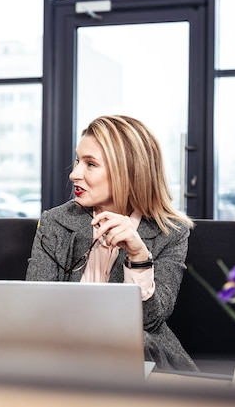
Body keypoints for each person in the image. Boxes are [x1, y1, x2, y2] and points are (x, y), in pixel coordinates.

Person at [26, 115, 198, 371]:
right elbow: (33, 307)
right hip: (65, 358)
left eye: (90, 164)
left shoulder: (171, 232)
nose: (74, 174)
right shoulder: (56, 222)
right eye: (77, 160)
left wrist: (139, 256)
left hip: (140, 365)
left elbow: (150, 321)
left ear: (128, 171)